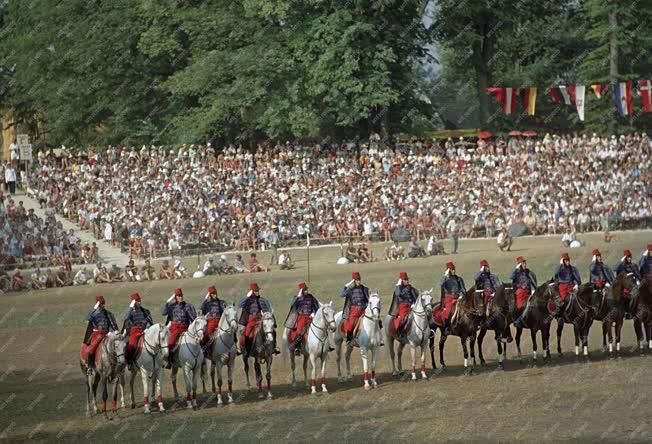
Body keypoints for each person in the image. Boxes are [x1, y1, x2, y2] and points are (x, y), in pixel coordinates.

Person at [238, 282, 280, 355]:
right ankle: (246, 350)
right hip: (251, 321)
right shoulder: (247, 300)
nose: (257, 292)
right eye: (255, 291)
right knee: (246, 334)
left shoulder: (263, 300)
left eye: (258, 290)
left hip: (262, 320)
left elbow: (269, 310)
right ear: (251, 292)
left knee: (272, 331)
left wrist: (271, 320)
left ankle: (274, 347)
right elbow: (240, 305)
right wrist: (247, 296)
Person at [161, 288, 197, 368]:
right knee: (170, 342)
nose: (180, 297)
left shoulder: (188, 306)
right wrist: (168, 301)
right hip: (174, 329)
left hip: (185, 328)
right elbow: (163, 312)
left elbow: (193, 318)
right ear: (175, 297)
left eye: (181, 295)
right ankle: (169, 360)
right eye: (178, 296)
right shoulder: (171, 306)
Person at [82, 295, 118, 374]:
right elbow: (87, 319)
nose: (103, 305)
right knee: (91, 350)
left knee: (118, 346)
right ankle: (90, 367)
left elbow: (113, 324)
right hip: (97, 334)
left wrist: (113, 332)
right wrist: (94, 309)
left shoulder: (109, 313)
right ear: (98, 304)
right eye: (101, 303)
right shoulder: (93, 313)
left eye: (104, 303)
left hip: (107, 334)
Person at [286, 282, 319, 355]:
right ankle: (297, 347)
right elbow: (293, 305)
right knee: (299, 331)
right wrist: (298, 296)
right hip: (302, 318)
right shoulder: (297, 298)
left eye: (306, 289)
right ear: (301, 291)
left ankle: (327, 344)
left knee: (321, 327)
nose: (306, 291)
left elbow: (316, 307)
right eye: (304, 290)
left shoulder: (311, 297)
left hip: (311, 317)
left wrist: (313, 313)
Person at [122, 292, 153, 367]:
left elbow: (148, 321)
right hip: (134, 332)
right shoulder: (130, 311)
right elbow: (125, 317)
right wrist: (131, 307)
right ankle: (129, 361)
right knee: (131, 346)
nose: (139, 302)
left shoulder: (145, 311)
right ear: (133, 302)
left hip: (144, 331)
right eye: (137, 301)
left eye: (139, 300)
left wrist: (147, 328)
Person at [509, 256, 538, 328]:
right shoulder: (516, 272)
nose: (525, 264)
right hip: (520, 293)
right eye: (523, 263)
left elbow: (534, 282)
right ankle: (517, 320)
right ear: (519, 264)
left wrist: (534, 290)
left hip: (528, 293)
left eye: (525, 262)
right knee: (520, 307)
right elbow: (510, 276)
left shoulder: (529, 272)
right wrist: (516, 268)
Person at [551, 252, 582, 317]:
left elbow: (577, 279)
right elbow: (556, 273)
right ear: (563, 261)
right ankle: (560, 315)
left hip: (572, 286)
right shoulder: (559, 268)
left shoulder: (572, 268)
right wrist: (560, 264)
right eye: (566, 260)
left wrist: (576, 284)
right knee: (562, 301)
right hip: (562, 288)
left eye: (568, 260)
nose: (567, 262)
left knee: (579, 298)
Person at [439, 262, 466, 333]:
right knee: (448, 311)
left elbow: (463, 289)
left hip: (458, 298)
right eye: (451, 269)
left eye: (454, 269)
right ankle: (447, 327)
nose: (453, 271)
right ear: (448, 270)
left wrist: (461, 295)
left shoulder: (459, 279)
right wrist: (445, 275)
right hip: (449, 299)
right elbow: (441, 284)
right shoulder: (445, 279)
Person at [199, 285, 227, 354]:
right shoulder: (207, 304)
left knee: (230, 332)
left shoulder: (222, 302)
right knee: (206, 335)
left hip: (220, 321)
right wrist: (206, 298)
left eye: (215, 293)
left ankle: (234, 346)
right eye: (212, 293)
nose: (214, 295)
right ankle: (204, 348)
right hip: (210, 322)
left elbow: (226, 312)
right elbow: (201, 307)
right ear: (209, 295)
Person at [389, 272, 418, 336]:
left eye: (407, 279)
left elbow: (415, 297)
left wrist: (413, 303)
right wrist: (398, 285)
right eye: (405, 280)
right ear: (402, 281)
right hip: (403, 307)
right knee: (403, 319)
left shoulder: (410, 288)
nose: (407, 281)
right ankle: (400, 331)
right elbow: (397, 294)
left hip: (411, 306)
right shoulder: (398, 289)